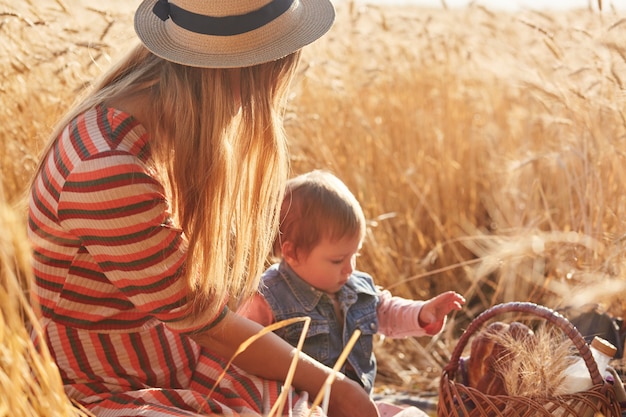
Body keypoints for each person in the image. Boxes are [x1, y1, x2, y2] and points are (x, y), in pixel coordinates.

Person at [26, 1, 380, 416]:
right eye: (279, 68)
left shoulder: (153, 127)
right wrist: (338, 387)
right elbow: (211, 327)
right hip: (106, 389)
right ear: (243, 74)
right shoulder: (108, 167)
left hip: (171, 361)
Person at [238, 170, 466, 416]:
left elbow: (386, 311)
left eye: (354, 255)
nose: (350, 268)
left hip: (359, 406)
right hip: (302, 408)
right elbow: (244, 350)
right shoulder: (269, 296)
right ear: (293, 254)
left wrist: (423, 313)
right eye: (337, 260)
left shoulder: (355, 287)